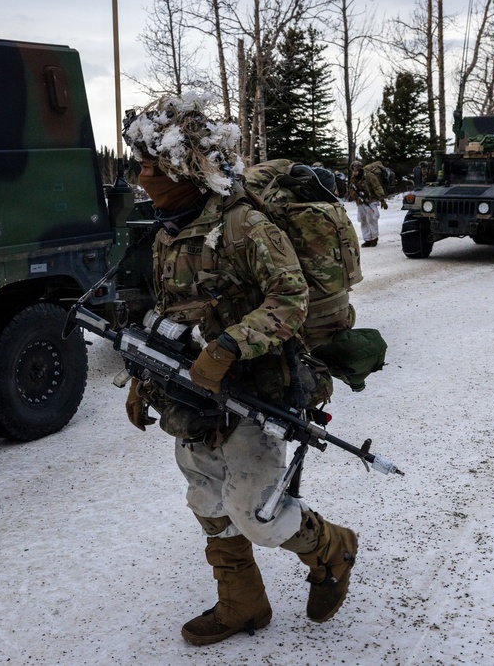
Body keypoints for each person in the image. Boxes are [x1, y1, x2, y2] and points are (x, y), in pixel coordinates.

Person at [120, 94, 358, 646]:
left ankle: (331, 548)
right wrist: (141, 379)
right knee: (205, 497)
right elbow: (168, 316)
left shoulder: (243, 225)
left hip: (254, 387)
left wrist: (228, 346)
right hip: (194, 396)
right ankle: (242, 605)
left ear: (182, 168)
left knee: (257, 514)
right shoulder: (165, 231)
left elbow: (290, 299)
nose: (143, 176)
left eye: (151, 165)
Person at [347, 160, 386, 247]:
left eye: (356, 170)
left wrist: (382, 199)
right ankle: (367, 239)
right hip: (360, 202)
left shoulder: (369, 176)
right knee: (363, 220)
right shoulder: (354, 178)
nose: (354, 172)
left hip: (371, 200)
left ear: (360, 170)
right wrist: (355, 195)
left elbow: (377, 187)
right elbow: (351, 188)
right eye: (353, 170)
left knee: (372, 218)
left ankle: (374, 238)